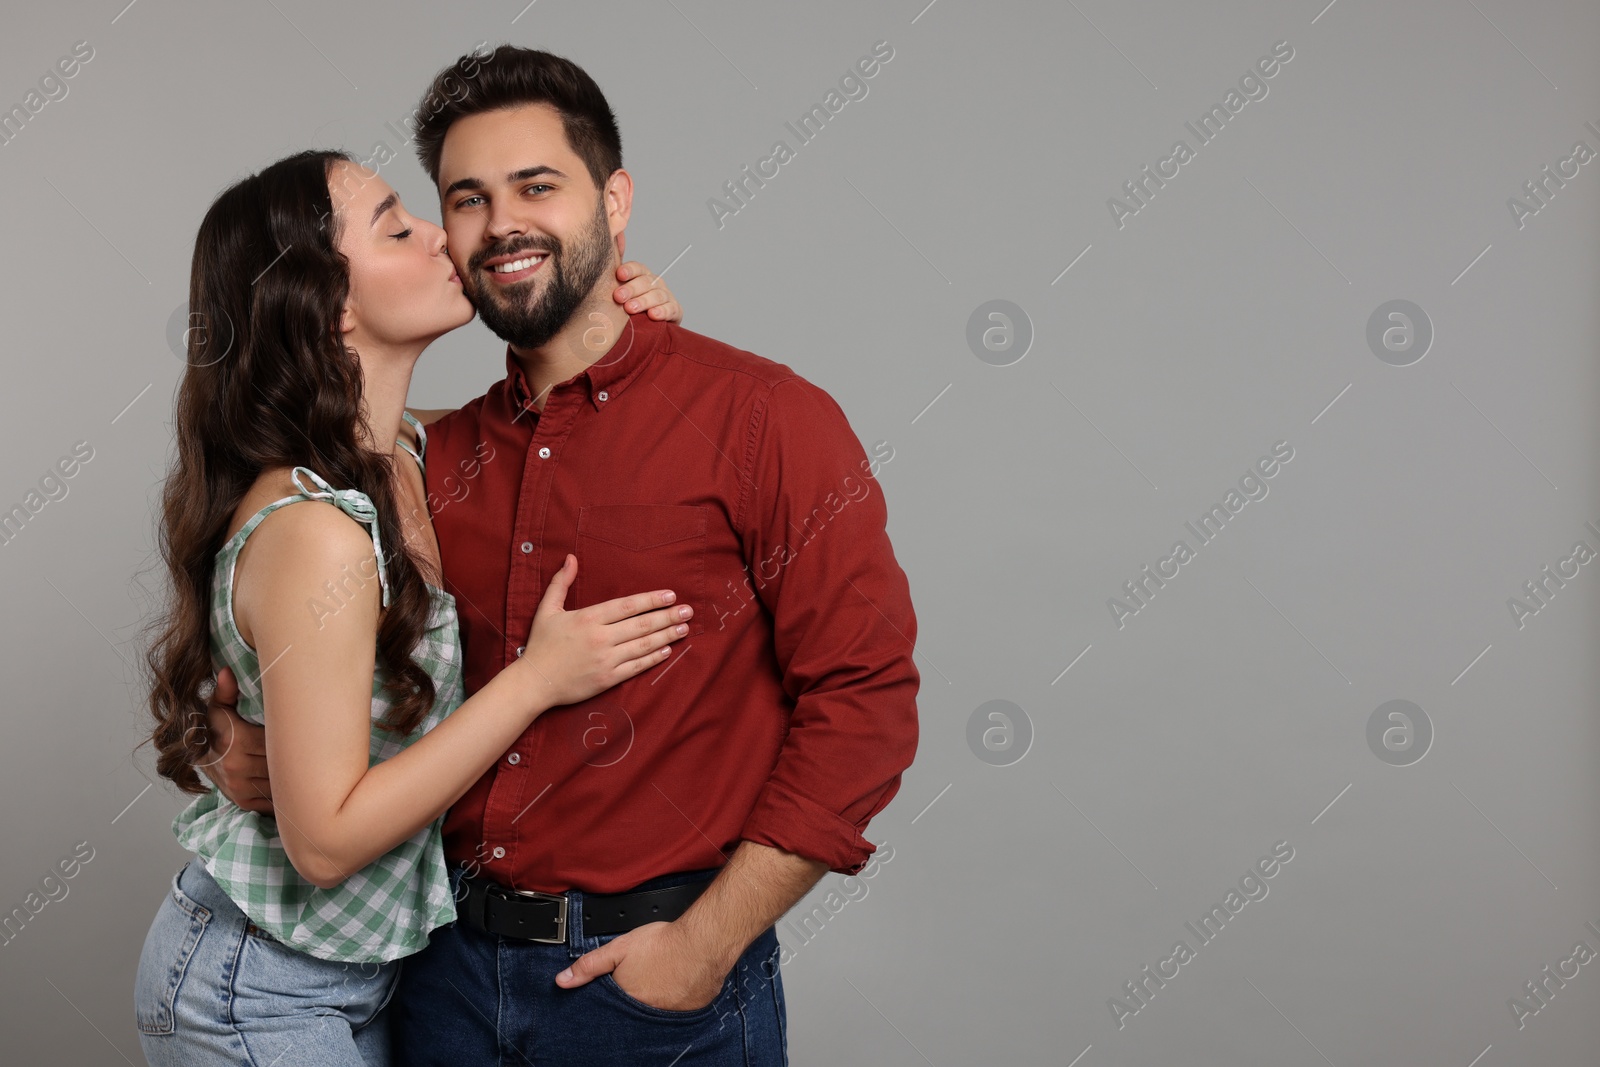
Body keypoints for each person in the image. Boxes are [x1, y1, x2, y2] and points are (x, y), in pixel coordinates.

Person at [204, 44, 923, 1067]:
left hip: (651, 991)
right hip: (435, 978)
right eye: (465, 198)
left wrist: (701, 949)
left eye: (536, 185)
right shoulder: (422, 466)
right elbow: (272, 603)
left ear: (614, 199)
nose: (501, 224)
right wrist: (224, 730)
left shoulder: (766, 420)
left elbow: (866, 700)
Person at [134, 145, 689, 1065]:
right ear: (328, 302)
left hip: (355, 976)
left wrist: (624, 321)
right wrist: (536, 681)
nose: (443, 235)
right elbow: (323, 846)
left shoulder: (407, 453)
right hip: (257, 986)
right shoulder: (317, 530)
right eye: (398, 226)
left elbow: (561, 419)